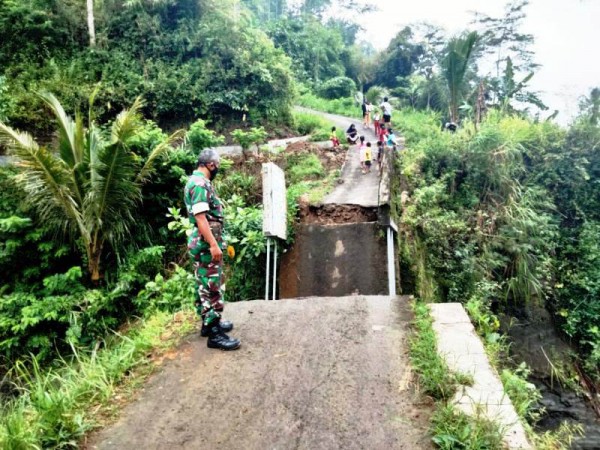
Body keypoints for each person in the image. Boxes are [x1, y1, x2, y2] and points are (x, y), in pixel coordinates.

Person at [184, 148, 241, 351]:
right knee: (211, 284)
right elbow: (201, 218)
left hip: (203, 240)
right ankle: (214, 332)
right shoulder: (199, 184)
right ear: (210, 165)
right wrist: (213, 244)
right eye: (217, 165)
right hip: (206, 241)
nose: (217, 168)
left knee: (203, 282)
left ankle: (208, 325)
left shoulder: (196, 181)